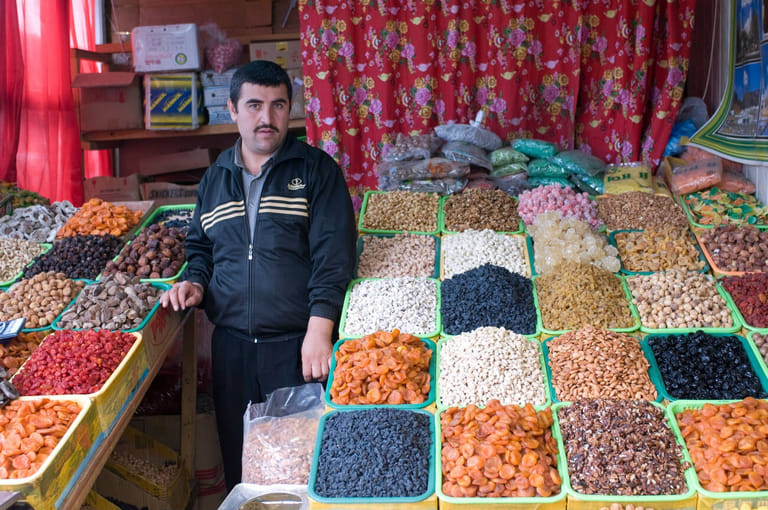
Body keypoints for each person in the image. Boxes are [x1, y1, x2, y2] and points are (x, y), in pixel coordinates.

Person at [161, 60, 357, 491]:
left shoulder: (316, 171)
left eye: (277, 105)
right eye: (254, 105)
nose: (266, 117)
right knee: (244, 466)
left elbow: (334, 257)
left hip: (297, 347)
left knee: (298, 468)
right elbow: (201, 248)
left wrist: (320, 329)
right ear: (232, 109)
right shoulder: (215, 179)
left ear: (290, 109)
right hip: (231, 349)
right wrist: (195, 283)